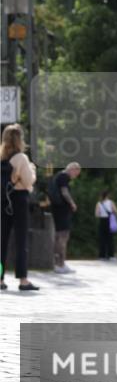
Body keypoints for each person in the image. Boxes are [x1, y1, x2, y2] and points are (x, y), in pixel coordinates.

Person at [1, 124, 39, 291]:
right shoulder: (21, 158)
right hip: (18, 199)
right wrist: (32, 169)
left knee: (1, 241)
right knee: (21, 240)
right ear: (19, 139)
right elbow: (29, 181)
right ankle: (23, 280)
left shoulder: (1, 156)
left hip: (3, 200)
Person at [49, 162, 81, 274]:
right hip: (62, 210)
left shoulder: (59, 175)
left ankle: (59, 263)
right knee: (63, 236)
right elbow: (65, 192)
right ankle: (60, 264)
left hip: (58, 209)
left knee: (59, 235)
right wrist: (72, 203)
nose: (76, 176)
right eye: (77, 173)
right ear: (73, 169)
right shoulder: (64, 176)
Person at [94, 190, 117, 260]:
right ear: (107, 195)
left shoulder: (99, 203)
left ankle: (102, 256)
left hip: (102, 221)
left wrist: (101, 213)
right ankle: (111, 255)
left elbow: (96, 214)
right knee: (110, 239)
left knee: (102, 239)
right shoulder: (111, 203)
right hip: (109, 221)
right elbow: (116, 212)